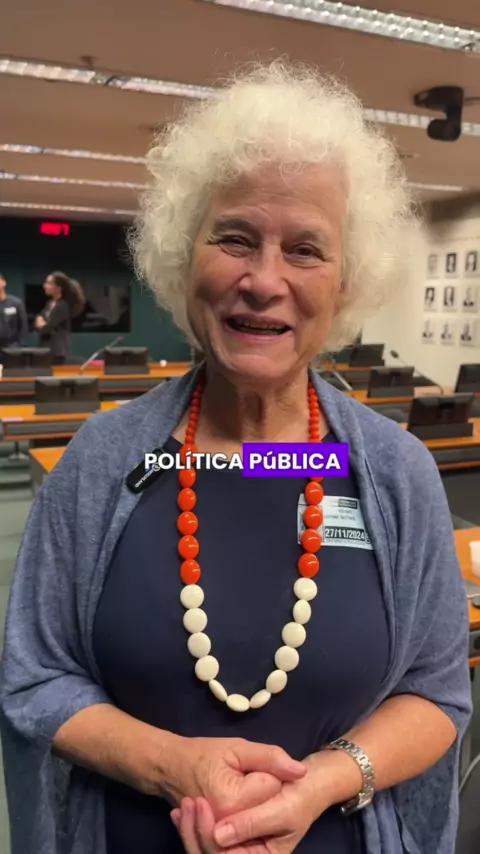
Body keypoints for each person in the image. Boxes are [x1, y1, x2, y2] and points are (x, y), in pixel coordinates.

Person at [0, 62, 471, 854]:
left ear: (346, 281)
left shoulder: (398, 473)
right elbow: (35, 677)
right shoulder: (98, 462)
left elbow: (438, 692)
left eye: (306, 249)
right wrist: (174, 767)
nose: (263, 280)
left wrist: (323, 782)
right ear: (185, 255)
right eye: (235, 238)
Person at [34, 270, 85, 364]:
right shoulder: (49, 303)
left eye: (49, 283)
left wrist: (43, 325)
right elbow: (39, 319)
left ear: (58, 288)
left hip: (57, 353)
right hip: (44, 349)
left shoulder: (63, 306)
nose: (45, 286)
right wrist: (43, 325)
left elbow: (47, 329)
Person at [0, 273, 29, 357]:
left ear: (4, 283)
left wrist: (21, 345)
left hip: (13, 347)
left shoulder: (16, 303)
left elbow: (23, 326)